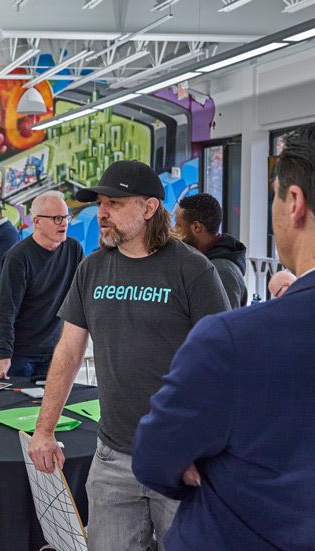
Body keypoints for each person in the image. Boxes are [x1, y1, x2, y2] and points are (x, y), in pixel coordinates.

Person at [132, 117, 315, 550]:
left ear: (295, 202)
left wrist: (200, 460)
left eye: (273, 195)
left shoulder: (233, 341)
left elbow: (154, 458)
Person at [27, 160, 230, 550]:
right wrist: (44, 429)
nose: (101, 213)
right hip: (113, 458)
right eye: (101, 202)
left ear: (149, 208)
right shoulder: (93, 269)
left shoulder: (192, 270)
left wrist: (202, 447)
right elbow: (69, 351)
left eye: (115, 204)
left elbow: (225, 366)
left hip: (181, 459)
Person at [0, 190, 83, 381]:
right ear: (37, 222)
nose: (64, 223)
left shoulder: (73, 249)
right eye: (56, 218)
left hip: (56, 349)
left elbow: (80, 297)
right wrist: (4, 355)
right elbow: (6, 310)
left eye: (66, 217)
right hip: (22, 354)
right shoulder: (17, 258)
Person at [174, 193, 248, 308]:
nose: (173, 230)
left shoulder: (221, 272)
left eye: (178, 225)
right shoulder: (204, 262)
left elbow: (222, 322)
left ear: (196, 227)